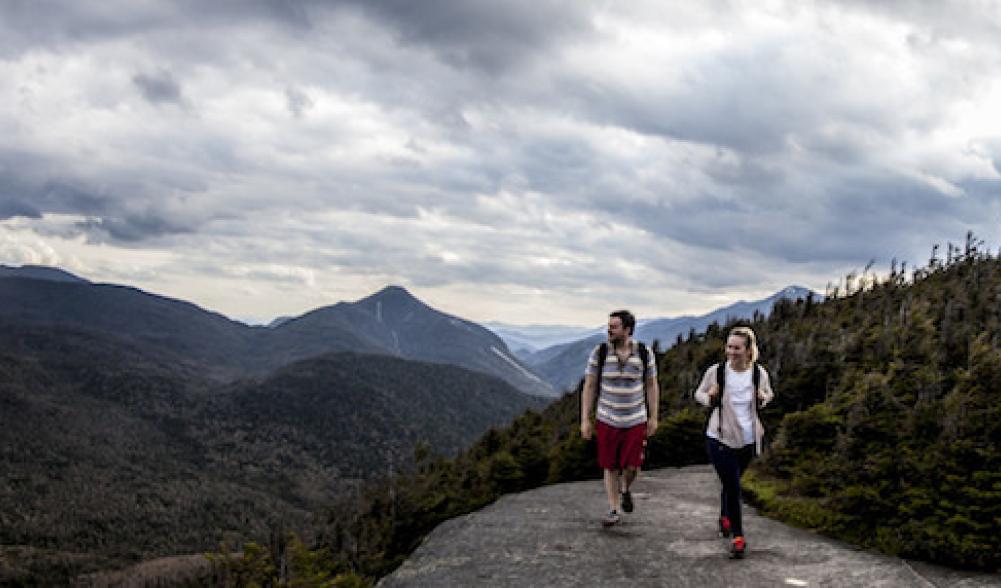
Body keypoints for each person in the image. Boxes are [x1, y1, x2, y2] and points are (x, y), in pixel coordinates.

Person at [694, 325, 774, 558]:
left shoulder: (759, 374)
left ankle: (724, 515)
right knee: (733, 486)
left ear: (749, 350)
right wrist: (709, 398)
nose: (731, 351)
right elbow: (698, 393)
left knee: (732, 482)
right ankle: (738, 537)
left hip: (748, 439)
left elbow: (769, 394)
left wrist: (763, 398)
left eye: (737, 347)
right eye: (729, 346)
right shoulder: (717, 372)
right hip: (719, 437)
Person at [580, 310, 659, 527]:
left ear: (627, 329)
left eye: (614, 327)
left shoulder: (644, 353)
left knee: (633, 466)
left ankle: (625, 489)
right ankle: (613, 508)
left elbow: (651, 385)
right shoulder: (600, 352)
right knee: (610, 466)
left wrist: (654, 417)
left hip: (635, 419)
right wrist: (585, 419)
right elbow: (589, 385)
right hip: (607, 418)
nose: (609, 330)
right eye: (608, 326)